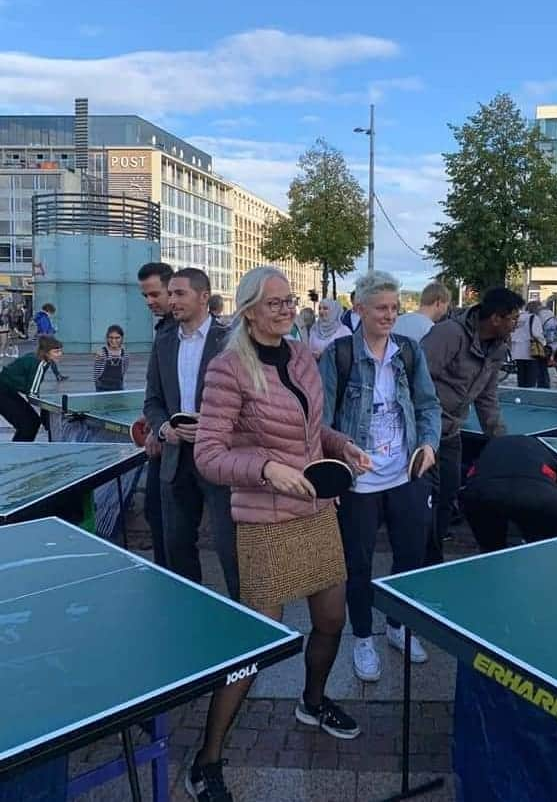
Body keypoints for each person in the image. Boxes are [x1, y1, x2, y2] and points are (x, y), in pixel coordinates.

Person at [189, 267, 371, 799]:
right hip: (266, 525)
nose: (287, 309)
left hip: (317, 512)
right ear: (248, 310)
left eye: (290, 301)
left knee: (332, 619)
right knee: (256, 646)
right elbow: (209, 455)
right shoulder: (228, 369)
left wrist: (342, 446)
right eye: (275, 303)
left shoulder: (301, 356)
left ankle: (312, 702)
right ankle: (208, 757)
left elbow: (312, 429)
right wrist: (267, 468)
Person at [319, 271, 441, 683]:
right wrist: (334, 469)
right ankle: (363, 637)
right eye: (381, 308)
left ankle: (397, 625)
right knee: (358, 563)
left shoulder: (408, 351)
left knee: (410, 555)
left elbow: (428, 405)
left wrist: (429, 445)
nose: (389, 315)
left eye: (394, 308)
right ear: (360, 310)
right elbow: (319, 422)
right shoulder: (338, 355)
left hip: (406, 471)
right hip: (358, 478)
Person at [143, 267, 240, 599]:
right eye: (170, 294)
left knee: (231, 548)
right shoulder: (164, 340)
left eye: (179, 293)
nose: (172, 300)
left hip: (218, 460)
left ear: (203, 297)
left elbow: (248, 403)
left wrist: (214, 427)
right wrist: (162, 427)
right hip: (175, 459)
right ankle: (191, 612)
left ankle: (241, 620)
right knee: (177, 546)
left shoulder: (229, 342)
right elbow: (153, 399)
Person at [421, 287, 524, 564]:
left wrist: (501, 441)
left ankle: (433, 559)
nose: (516, 325)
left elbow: (487, 398)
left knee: (447, 496)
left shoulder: (498, 348)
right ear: (496, 319)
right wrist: (424, 428)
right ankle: (417, 563)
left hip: (452, 433)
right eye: (513, 319)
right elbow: (415, 378)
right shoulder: (449, 335)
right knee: (422, 502)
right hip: (424, 434)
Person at [460, 436, 557, 550]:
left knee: (491, 550)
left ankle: (492, 559)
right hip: (539, 498)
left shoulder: (489, 449)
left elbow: (468, 480)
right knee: (550, 547)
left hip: (481, 495)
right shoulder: (544, 450)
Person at [137, 262, 176, 568]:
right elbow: (158, 387)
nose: (149, 301)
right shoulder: (164, 329)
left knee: (168, 518)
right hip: (162, 434)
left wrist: (161, 427)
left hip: (179, 441)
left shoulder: (181, 331)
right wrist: (153, 422)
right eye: (145, 296)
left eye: (154, 294)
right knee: (155, 511)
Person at [0, 336, 63, 440]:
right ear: (46, 352)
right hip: (3, 392)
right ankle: (18, 453)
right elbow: (32, 394)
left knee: (32, 422)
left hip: (8, 390)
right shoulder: (40, 363)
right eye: (56, 352)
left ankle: (19, 450)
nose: (60, 354)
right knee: (29, 424)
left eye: (60, 351)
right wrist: (50, 409)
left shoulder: (39, 359)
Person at [510, 303, 547, 388]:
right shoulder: (534, 318)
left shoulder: (518, 317)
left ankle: (521, 396)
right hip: (531, 353)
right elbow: (537, 334)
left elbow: (511, 333)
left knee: (521, 379)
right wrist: (544, 343)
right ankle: (528, 398)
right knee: (530, 380)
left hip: (517, 352)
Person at [32, 303, 68, 381]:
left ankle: (57, 375)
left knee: (49, 359)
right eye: (51, 313)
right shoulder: (44, 318)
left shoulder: (40, 317)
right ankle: (38, 375)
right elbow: (45, 331)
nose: (51, 315)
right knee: (48, 358)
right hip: (46, 340)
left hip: (44, 339)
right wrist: (53, 330)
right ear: (48, 310)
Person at [93, 325, 129, 392]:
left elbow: (124, 371)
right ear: (107, 338)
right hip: (102, 388)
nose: (114, 340)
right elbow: (96, 375)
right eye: (111, 338)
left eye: (117, 338)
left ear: (122, 338)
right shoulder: (102, 353)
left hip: (118, 388)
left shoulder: (125, 354)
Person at [536, 299, 557, 388]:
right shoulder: (550, 315)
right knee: (543, 368)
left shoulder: (540, 315)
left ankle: (544, 386)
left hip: (546, 346)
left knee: (541, 367)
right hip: (553, 344)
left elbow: (546, 334)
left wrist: (545, 344)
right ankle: (544, 385)